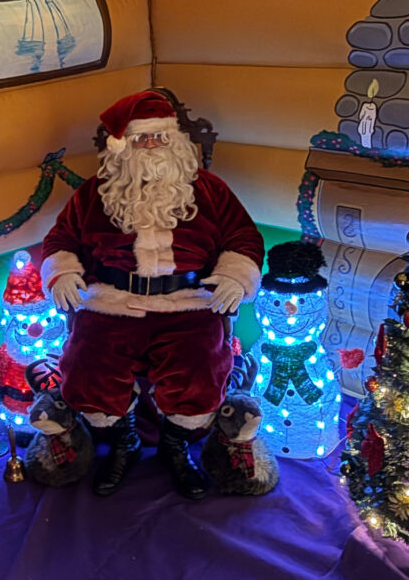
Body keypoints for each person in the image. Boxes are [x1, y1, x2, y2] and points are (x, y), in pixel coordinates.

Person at [41, 90, 264, 499]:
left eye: (159, 137)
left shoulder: (210, 190)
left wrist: (236, 277)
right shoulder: (95, 193)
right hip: (110, 302)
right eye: (141, 138)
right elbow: (62, 238)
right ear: (122, 145)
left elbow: (242, 236)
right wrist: (62, 273)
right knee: (88, 370)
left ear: (174, 140)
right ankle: (123, 442)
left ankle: (176, 444)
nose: (151, 146)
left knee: (200, 371)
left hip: (188, 302)